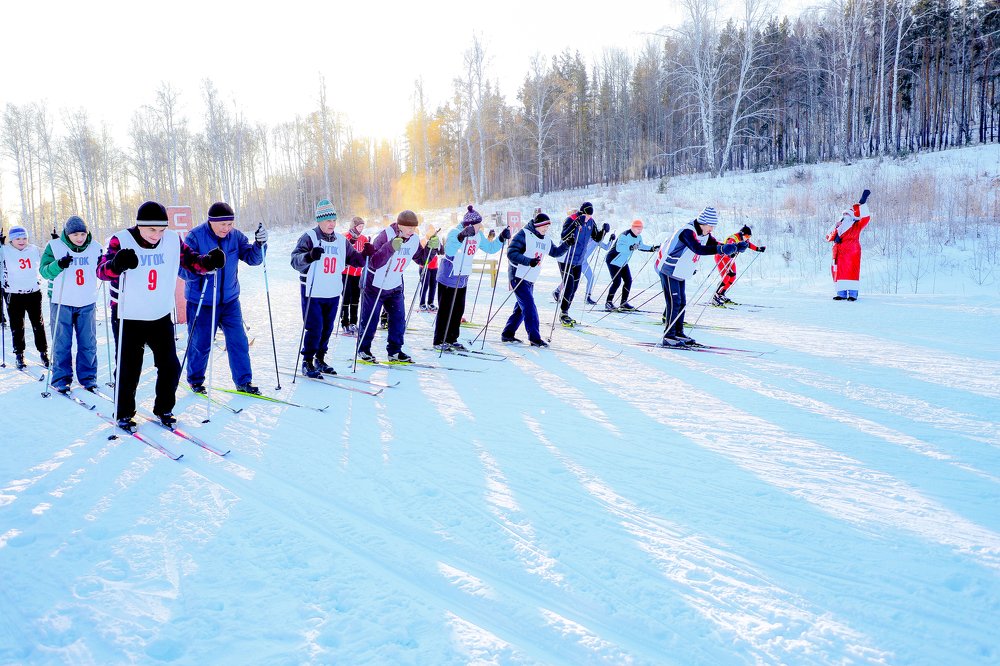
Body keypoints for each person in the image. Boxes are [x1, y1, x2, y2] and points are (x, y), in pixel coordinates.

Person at [98, 200, 223, 429]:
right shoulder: (121, 240)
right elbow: (102, 271)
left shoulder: (172, 240)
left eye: (161, 230)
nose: (157, 235)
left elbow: (192, 262)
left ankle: (164, 408)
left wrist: (208, 262)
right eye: (151, 230)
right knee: (129, 368)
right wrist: (117, 264)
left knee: (170, 366)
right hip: (129, 315)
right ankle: (124, 413)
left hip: (160, 314)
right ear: (139, 226)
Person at [181, 202, 266, 395]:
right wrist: (203, 266)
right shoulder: (195, 237)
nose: (226, 229)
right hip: (201, 302)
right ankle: (195, 380)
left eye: (230, 224)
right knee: (200, 343)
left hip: (229, 301)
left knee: (238, 341)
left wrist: (260, 244)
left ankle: (244, 381)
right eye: (222, 225)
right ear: (211, 221)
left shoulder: (235, 237)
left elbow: (253, 259)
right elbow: (182, 270)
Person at [290, 200, 369, 378]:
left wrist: (367, 254)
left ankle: (320, 358)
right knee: (315, 327)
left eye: (334, 220)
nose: (331, 224)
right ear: (319, 221)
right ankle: (307, 361)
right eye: (327, 220)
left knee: (327, 328)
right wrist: (309, 256)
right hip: (313, 291)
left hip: (332, 292)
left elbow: (356, 260)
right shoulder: (309, 237)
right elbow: (295, 261)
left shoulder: (341, 240)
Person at [356, 210, 439, 363]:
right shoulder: (385, 235)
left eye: (414, 228)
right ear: (400, 225)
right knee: (371, 320)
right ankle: (363, 349)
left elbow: (422, 260)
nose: (412, 231)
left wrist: (431, 248)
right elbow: (374, 261)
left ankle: (395, 351)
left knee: (398, 319)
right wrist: (390, 247)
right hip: (375, 284)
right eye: (409, 228)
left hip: (395, 285)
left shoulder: (413, 239)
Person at [655, 207, 745, 347]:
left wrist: (734, 247)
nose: (712, 229)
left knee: (682, 302)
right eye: (711, 226)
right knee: (674, 302)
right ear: (703, 223)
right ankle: (668, 336)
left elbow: (715, 245)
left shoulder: (704, 234)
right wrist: (722, 250)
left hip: (679, 272)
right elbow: (698, 249)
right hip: (669, 270)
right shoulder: (687, 232)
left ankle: (678, 333)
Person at [38, 215, 101, 392]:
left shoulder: (95, 247)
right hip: (61, 301)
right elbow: (44, 271)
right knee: (62, 342)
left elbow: (103, 269)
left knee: (88, 342)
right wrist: (58, 265)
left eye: (82, 233)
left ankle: (88, 377)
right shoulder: (55, 246)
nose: (80, 238)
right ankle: (61, 378)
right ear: (67, 233)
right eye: (75, 235)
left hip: (87, 301)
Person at [433, 205, 508, 351]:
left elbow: (490, 248)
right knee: (446, 310)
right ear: (471, 225)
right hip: (449, 276)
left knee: (458, 310)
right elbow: (449, 250)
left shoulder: (478, 235)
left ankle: (452, 338)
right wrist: (461, 236)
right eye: (479, 224)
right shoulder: (454, 232)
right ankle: (439, 340)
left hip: (463, 277)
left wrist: (501, 238)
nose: (481, 227)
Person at [501, 213, 572, 347]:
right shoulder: (524, 234)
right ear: (537, 225)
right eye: (544, 226)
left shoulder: (545, 239)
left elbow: (555, 252)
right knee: (529, 307)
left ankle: (507, 334)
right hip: (518, 276)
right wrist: (528, 261)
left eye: (548, 226)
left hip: (530, 278)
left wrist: (567, 244)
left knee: (521, 309)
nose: (546, 229)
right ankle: (534, 338)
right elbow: (511, 253)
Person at [552, 201, 611, 326]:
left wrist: (603, 231)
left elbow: (597, 238)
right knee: (568, 286)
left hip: (578, 259)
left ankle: (565, 312)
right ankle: (563, 313)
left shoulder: (591, 222)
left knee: (574, 287)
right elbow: (563, 236)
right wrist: (574, 225)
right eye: (587, 215)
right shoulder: (571, 219)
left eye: (590, 215)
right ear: (582, 212)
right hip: (566, 257)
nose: (588, 217)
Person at [0, 225, 49, 370]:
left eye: (24, 238)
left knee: (38, 324)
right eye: (17, 239)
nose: (21, 241)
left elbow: (47, 256)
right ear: (11, 240)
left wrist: (54, 243)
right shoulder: (4, 250)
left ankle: (43, 352)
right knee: (17, 325)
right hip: (13, 293)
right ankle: (19, 354)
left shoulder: (33, 249)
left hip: (33, 292)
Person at [826, 190, 871, 301]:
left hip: (852, 252)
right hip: (838, 253)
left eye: (847, 214)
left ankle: (852, 294)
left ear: (852, 216)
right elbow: (828, 237)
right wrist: (836, 228)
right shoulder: (838, 224)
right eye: (844, 214)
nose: (845, 215)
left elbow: (866, 218)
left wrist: (862, 204)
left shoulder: (856, 225)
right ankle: (841, 293)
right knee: (839, 273)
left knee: (852, 272)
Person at [604, 219, 659, 311]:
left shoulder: (638, 237)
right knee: (617, 282)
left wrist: (652, 248)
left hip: (623, 262)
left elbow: (641, 246)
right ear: (632, 227)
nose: (639, 231)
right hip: (613, 260)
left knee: (628, 280)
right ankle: (608, 302)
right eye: (638, 228)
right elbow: (619, 247)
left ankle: (624, 303)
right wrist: (630, 247)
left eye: (641, 229)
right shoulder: (624, 235)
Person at [712, 225, 765, 306]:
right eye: (747, 236)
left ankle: (722, 294)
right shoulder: (733, 238)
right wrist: (731, 253)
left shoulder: (744, 239)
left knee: (732, 276)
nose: (748, 238)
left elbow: (749, 244)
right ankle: (715, 297)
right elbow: (729, 247)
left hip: (729, 259)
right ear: (742, 234)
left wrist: (758, 249)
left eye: (749, 236)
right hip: (721, 257)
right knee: (726, 276)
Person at [340, 216, 368, 334]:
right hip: (346, 273)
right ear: (353, 226)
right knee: (346, 297)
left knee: (355, 298)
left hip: (357, 273)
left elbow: (365, 254)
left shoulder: (364, 238)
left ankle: (353, 322)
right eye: (359, 226)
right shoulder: (345, 237)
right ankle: (344, 322)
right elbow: (340, 251)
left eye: (362, 226)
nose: (361, 229)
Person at [418, 223, 440, 312]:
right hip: (425, 266)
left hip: (434, 267)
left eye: (433, 230)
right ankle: (422, 303)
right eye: (430, 230)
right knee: (425, 285)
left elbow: (441, 252)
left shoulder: (436, 240)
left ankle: (430, 303)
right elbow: (421, 253)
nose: (432, 231)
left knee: (433, 286)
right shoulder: (423, 240)